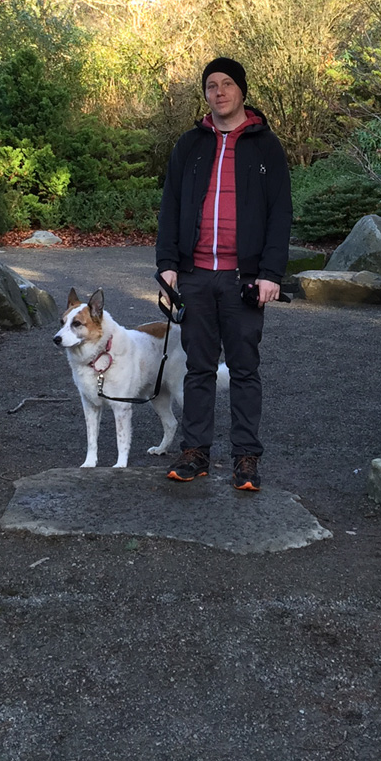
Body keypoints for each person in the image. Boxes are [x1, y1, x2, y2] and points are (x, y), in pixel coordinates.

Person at [156, 57, 292, 491]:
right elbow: (170, 206)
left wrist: (271, 273)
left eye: (227, 83)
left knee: (244, 370)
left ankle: (246, 458)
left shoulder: (266, 146)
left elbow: (280, 213)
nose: (219, 92)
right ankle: (195, 452)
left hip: (244, 279)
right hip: (195, 274)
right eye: (211, 85)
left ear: (242, 90)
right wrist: (167, 266)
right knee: (198, 368)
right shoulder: (189, 145)